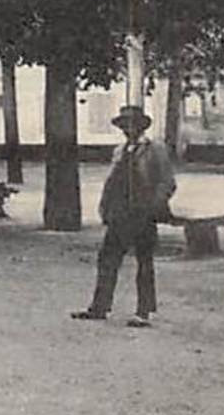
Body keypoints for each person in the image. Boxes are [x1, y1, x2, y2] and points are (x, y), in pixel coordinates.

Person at [72, 105, 177, 328]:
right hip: (120, 214)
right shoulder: (120, 151)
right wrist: (105, 206)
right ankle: (99, 307)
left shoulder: (154, 149)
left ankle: (143, 311)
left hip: (142, 213)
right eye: (123, 125)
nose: (127, 129)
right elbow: (112, 182)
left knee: (144, 262)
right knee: (107, 259)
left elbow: (167, 182)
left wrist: (152, 206)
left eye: (131, 124)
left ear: (140, 126)